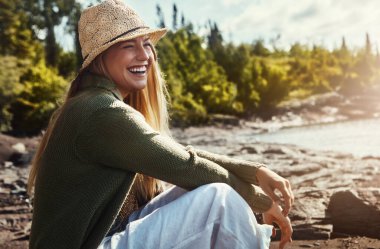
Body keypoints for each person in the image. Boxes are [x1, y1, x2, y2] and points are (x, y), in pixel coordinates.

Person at [27, 0, 294, 248]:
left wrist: (254, 171)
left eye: (146, 44)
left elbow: (175, 155)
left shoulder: (93, 102)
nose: (144, 55)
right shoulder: (101, 110)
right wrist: (261, 201)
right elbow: (185, 166)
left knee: (204, 190)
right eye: (128, 46)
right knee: (218, 200)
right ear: (101, 57)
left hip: (104, 237)